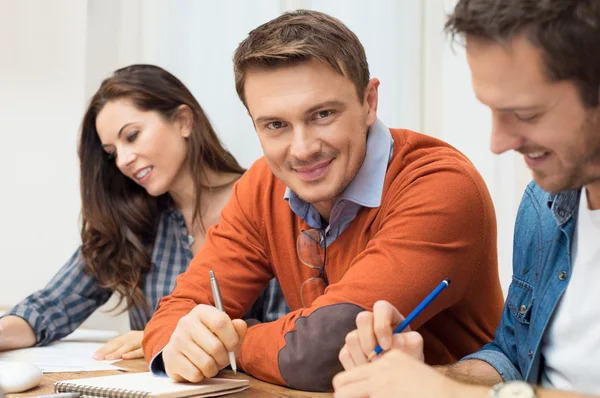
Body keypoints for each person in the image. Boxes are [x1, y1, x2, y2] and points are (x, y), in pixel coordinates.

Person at [142, 10, 504, 392]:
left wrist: (232, 343)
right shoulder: (261, 185)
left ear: (369, 102)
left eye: (323, 114)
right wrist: (180, 345)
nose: (302, 150)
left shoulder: (438, 184)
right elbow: (175, 312)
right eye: (275, 125)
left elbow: (321, 353)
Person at [333, 0, 600, 397]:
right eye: (491, 111)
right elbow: (512, 357)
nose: (497, 143)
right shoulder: (544, 204)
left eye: (525, 114)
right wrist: (416, 376)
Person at [0, 64, 288, 361]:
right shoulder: (132, 221)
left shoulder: (266, 203)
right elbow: (53, 305)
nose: (123, 160)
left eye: (132, 136)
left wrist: (163, 337)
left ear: (183, 121)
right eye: (111, 153)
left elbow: (291, 331)